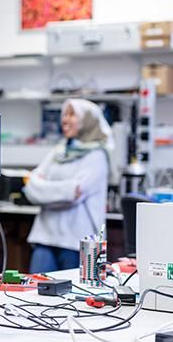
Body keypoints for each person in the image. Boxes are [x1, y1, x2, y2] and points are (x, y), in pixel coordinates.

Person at [24, 99, 115, 273]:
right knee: (35, 294)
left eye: (72, 114)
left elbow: (74, 194)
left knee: (74, 298)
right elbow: (31, 187)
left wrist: (45, 192)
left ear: (88, 121)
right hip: (45, 237)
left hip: (78, 243)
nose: (65, 119)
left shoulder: (97, 156)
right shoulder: (58, 152)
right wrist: (62, 191)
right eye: (64, 114)